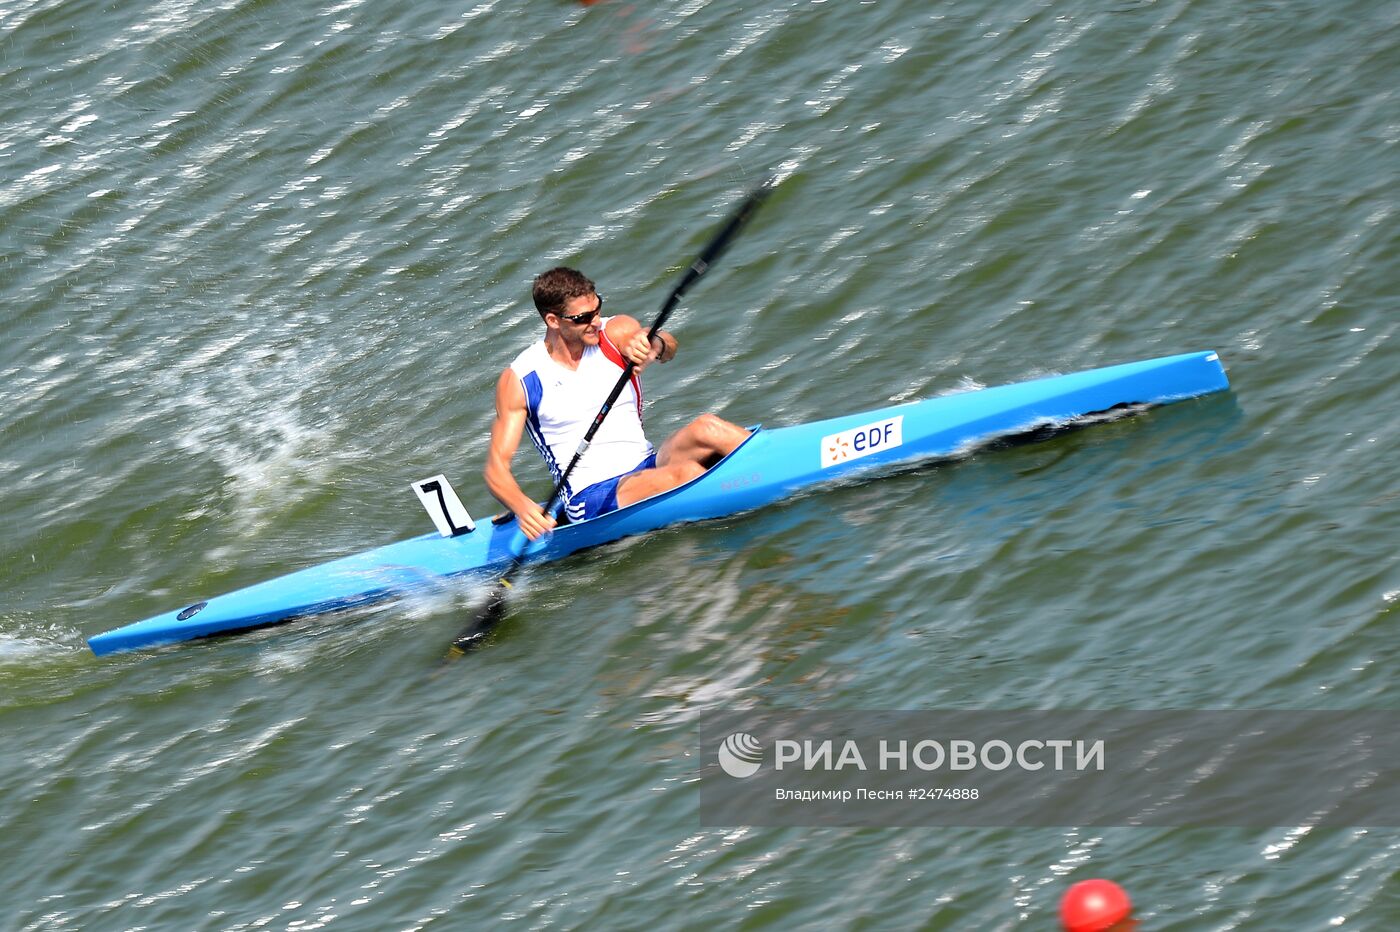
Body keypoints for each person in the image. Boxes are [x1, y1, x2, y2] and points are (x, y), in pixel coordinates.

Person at [485, 267, 750, 540]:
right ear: (553, 320)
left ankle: (775, 464)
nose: (596, 321)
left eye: (597, 309)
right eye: (583, 318)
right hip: (589, 496)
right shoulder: (521, 380)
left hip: (646, 464)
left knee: (709, 428)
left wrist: (654, 345)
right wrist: (523, 507)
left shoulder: (614, 333)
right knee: (688, 474)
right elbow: (496, 469)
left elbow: (665, 343)